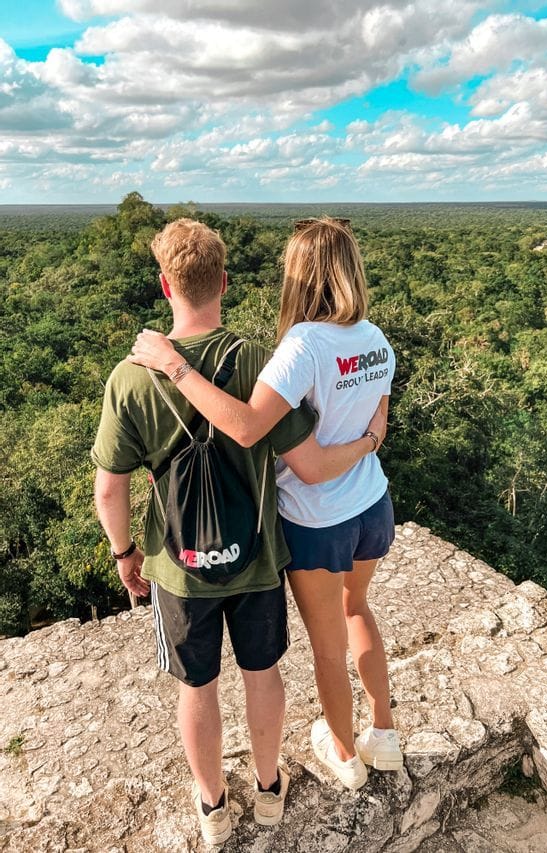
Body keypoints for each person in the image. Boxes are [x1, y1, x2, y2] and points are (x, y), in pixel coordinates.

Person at [92, 218, 386, 845]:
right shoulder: (258, 359)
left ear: (165, 285)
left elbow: (110, 488)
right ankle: (269, 787)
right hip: (255, 555)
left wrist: (124, 553)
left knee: (196, 687)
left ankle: (212, 806)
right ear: (223, 281)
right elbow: (303, 450)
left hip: (178, 565)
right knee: (263, 674)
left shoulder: (130, 377)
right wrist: (368, 439)